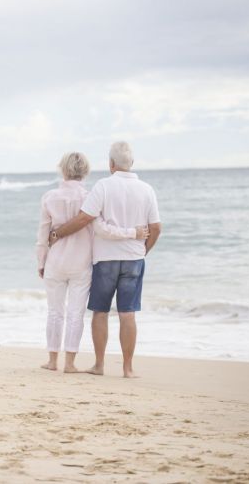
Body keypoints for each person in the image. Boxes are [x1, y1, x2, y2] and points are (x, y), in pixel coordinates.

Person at [49, 142, 161, 378]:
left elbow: (84, 219)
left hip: (106, 259)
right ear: (132, 163)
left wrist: (57, 234)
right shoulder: (146, 189)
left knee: (100, 312)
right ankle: (127, 369)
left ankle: (99, 365)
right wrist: (143, 250)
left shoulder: (103, 186)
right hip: (133, 259)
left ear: (111, 163)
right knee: (128, 313)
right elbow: (156, 228)